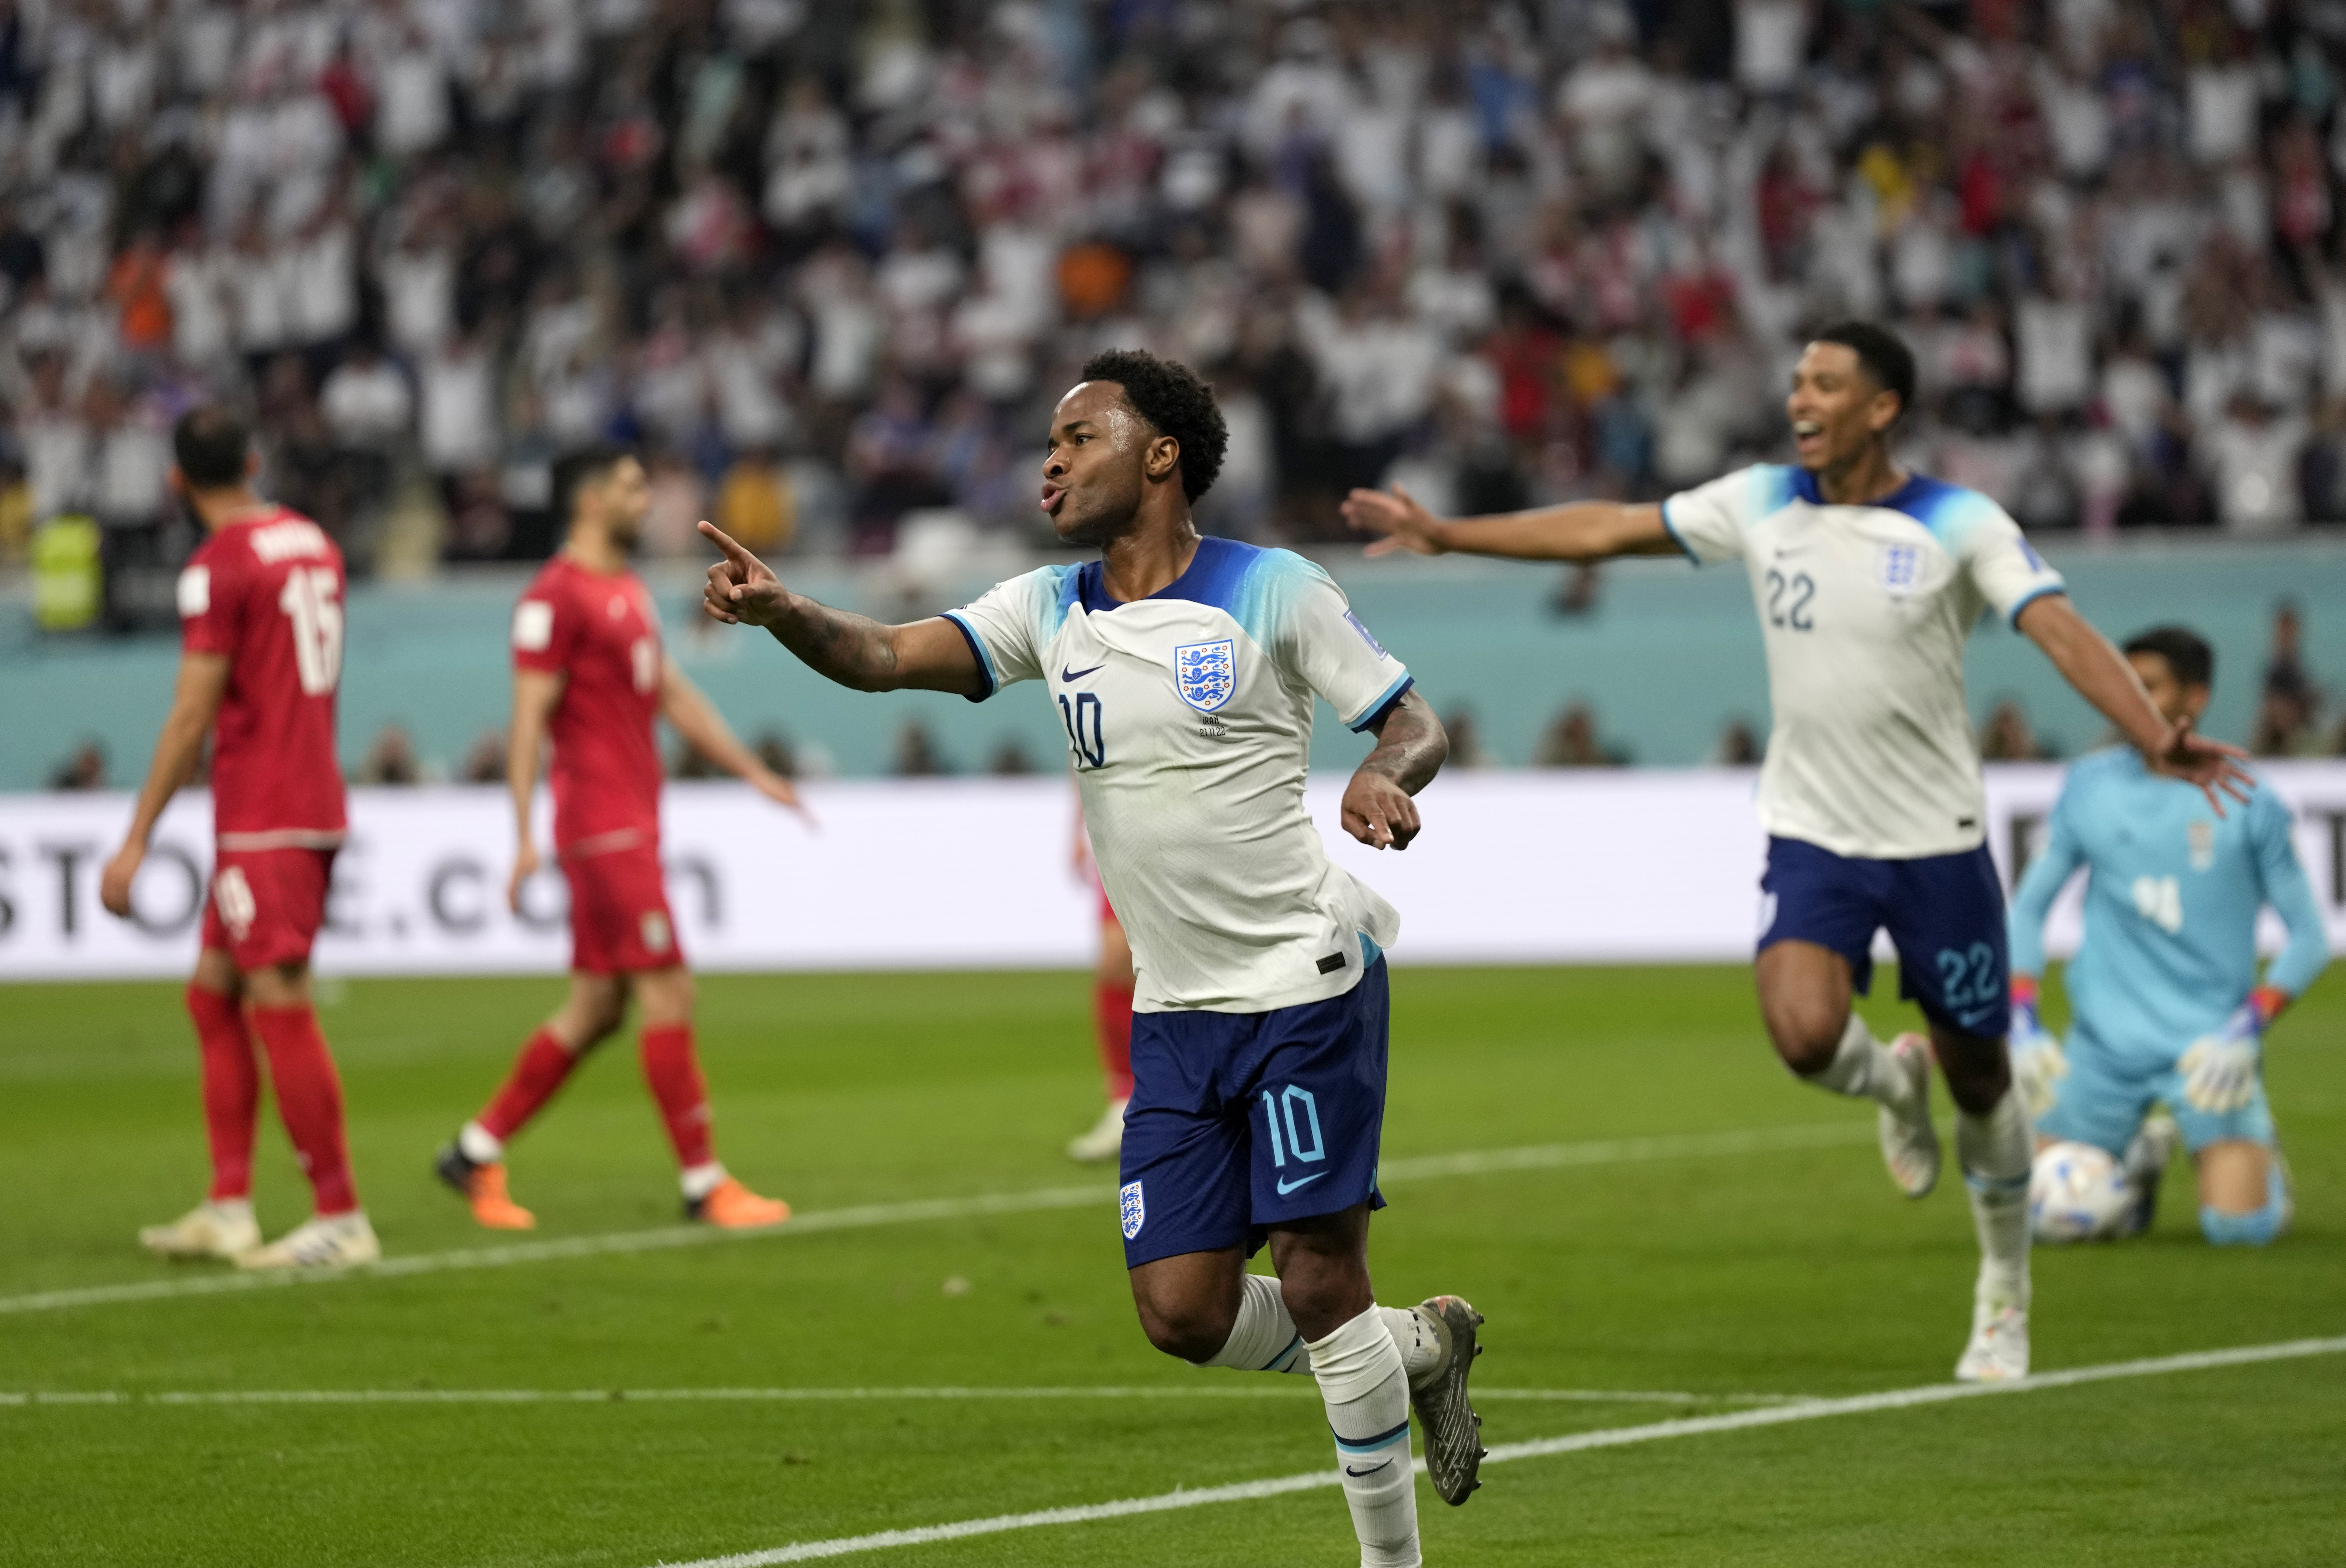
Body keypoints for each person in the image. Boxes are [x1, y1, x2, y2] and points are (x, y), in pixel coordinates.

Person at [1342, 321, 2252, 1382]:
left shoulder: (1958, 521)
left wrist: (2152, 734)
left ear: (1881, 407)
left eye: (1826, 383)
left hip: (1935, 843)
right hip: (1815, 831)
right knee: (1803, 1031)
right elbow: (1609, 528)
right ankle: (1885, 1081)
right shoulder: (1761, 501)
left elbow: (2055, 626)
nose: (1801, 399)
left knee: (1981, 1078)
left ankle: (2003, 1294)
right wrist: (1451, 533)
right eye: (1796, 382)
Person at [700, 349, 1486, 1565]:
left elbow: (1411, 717)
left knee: (1322, 1279)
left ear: (1160, 456)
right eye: (1050, 444)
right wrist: (785, 608)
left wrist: (1383, 772)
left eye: (1079, 438)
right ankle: (1421, 1345)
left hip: (1302, 985)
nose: (1051, 461)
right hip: (1173, 1012)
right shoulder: (1045, 607)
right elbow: (885, 656)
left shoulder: (1272, 589)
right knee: (1180, 1313)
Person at [433, 446, 801, 1231]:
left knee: (600, 1007)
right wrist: (523, 833)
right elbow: (528, 717)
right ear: (592, 502)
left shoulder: (629, 589)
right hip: (600, 829)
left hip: (629, 822)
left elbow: (671, 690)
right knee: (669, 987)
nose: (649, 499)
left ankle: (473, 1149)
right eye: (635, 488)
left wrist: (751, 771)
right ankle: (705, 1184)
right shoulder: (554, 596)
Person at [98, 408, 378, 1270]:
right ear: (254, 461)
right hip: (299, 796)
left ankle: (340, 1214)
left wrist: (136, 837)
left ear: (175, 481)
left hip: (266, 813)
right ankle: (229, 1204)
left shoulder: (215, 567)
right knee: (213, 992)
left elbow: (193, 711)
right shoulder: (312, 539)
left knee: (277, 996)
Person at [2008, 626, 2329, 1244]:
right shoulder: (2090, 785)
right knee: (2043, 1218)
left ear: (2196, 698)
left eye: (2148, 686)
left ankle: (2264, 1171)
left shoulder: (2247, 797)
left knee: (2239, 1233)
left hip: (2208, 1054)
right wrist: (2021, 1017)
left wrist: (2248, 1027)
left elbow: (2310, 937)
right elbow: (2027, 910)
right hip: (2102, 1048)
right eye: (2123, 683)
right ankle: (2136, 1171)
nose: (2129, 697)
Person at [1067, 804, 1135, 1163]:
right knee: (1116, 963)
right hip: (1118, 823)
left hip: (1178, 809)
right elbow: (1081, 751)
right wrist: (1077, 826)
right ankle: (1125, 1104)